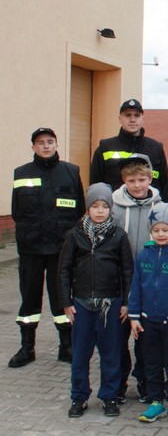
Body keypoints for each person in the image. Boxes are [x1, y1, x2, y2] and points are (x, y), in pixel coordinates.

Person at [57, 183, 133, 418]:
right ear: (87, 208)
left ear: (110, 208)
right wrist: (66, 302)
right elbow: (64, 270)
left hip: (110, 304)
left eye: (104, 206)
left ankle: (110, 396)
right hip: (81, 304)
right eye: (95, 206)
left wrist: (126, 302)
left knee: (111, 354)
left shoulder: (118, 235)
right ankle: (79, 397)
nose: (100, 211)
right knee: (80, 355)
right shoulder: (75, 235)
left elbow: (127, 271)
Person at [10, 127, 84, 368]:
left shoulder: (71, 171)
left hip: (60, 248)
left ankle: (66, 346)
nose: (45, 146)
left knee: (62, 298)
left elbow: (79, 210)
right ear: (33, 147)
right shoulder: (21, 173)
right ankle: (27, 348)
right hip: (31, 248)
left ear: (56, 144)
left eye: (50, 141)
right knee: (29, 299)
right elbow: (16, 211)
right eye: (40, 142)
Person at [127, 203, 168, 426]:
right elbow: (136, 287)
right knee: (151, 363)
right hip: (148, 321)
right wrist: (134, 317)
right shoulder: (144, 255)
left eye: (165, 230)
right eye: (156, 230)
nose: (160, 234)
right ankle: (156, 400)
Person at [112, 153, 162, 404]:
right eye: (132, 180)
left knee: (146, 340)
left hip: (150, 282)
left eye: (142, 179)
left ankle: (145, 382)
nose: (137, 185)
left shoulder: (161, 207)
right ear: (124, 181)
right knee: (118, 338)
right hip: (120, 281)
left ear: (150, 179)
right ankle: (119, 383)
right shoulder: (114, 207)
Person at [89, 99, 168, 192]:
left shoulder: (156, 148)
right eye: (128, 115)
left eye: (137, 115)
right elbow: (95, 187)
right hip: (115, 201)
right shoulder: (105, 147)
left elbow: (164, 187)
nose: (132, 120)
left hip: (150, 201)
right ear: (120, 119)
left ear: (143, 119)